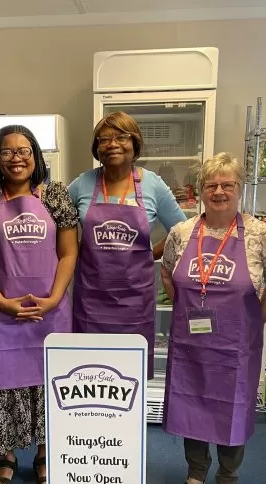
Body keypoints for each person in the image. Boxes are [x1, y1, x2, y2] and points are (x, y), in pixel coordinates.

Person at [161, 152, 266, 484]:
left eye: (227, 184)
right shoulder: (181, 232)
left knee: (233, 406)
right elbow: (168, 272)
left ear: (239, 188)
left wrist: (257, 319)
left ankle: (228, 479)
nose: (219, 191)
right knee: (191, 402)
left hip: (236, 346)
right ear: (200, 190)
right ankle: (196, 473)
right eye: (211, 184)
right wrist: (185, 307)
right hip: (190, 344)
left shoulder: (262, 235)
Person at [0, 125, 78, 484]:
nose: (17, 158)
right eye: (8, 152)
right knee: (3, 384)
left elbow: (68, 253)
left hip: (49, 311)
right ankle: (7, 456)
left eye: (24, 150)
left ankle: (45, 455)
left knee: (48, 383)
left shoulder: (56, 197)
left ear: (36, 156)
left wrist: (55, 297)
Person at [68, 112, 186, 379]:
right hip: (91, 302)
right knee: (90, 376)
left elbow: (181, 231)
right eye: (105, 138)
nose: (113, 144)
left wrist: (149, 253)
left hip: (135, 304)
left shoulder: (152, 184)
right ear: (97, 147)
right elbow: (56, 223)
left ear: (135, 143)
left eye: (121, 137)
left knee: (128, 380)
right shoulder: (82, 184)